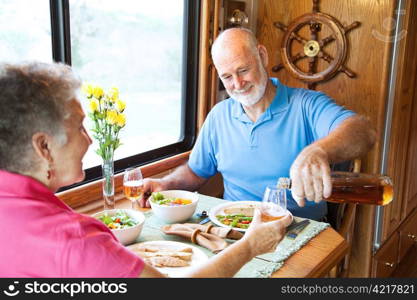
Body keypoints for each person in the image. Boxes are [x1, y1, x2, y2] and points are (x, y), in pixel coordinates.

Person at [0, 61, 292, 277]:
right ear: (44, 147)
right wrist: (250, 247)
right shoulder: (75, 241)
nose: (90, 140)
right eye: (79, 126)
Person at [140, 28, 376, 221]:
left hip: (297, 231)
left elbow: (363, 130)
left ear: (262, 56)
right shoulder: (218, 116)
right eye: (227, 77)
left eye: (243, 70)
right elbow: (195, 172)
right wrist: (165, 183)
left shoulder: (306, 105)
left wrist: (318, 151)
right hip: (235, 228)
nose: (238, 84)